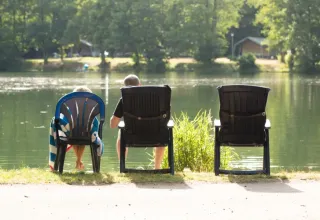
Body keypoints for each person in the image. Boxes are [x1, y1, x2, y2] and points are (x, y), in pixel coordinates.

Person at [110, 74, 166, 169]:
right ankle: (157, 168)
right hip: (156, 135)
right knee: (163, 130)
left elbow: (113, 125)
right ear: (140, 84)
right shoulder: (156, 99)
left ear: (125, 88)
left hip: (132, 135)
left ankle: (122, 165)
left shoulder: (124, 100)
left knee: (121, 132)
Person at [48, 86, 104, 171]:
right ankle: (79, 161)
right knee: (86, 132)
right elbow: (94, 130)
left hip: (70, 134)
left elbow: (57, 121)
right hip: (87, 135)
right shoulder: (91, 117)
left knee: (71, 131)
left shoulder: (68, 114)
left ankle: (73, 162)